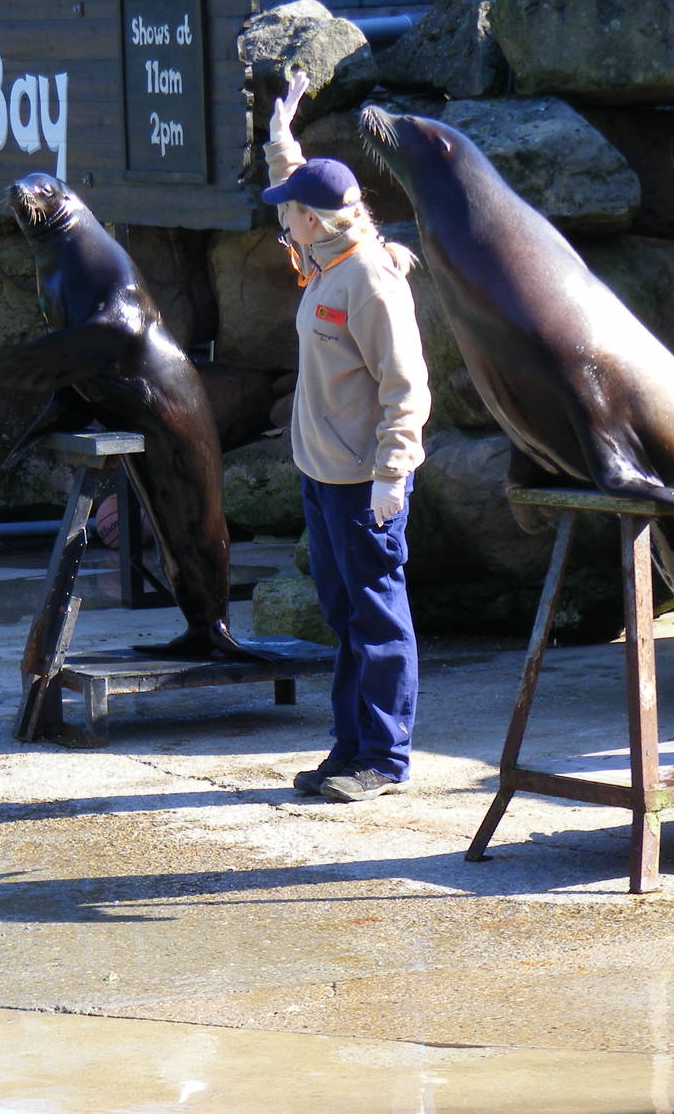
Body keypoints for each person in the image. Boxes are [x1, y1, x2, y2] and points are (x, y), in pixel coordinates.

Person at [262, 70, 431, 803]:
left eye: (288, 213)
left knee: (378, 619)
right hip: (322, 475)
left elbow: (406, 386)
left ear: (315, 221)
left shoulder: (370, 283)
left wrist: (393, 475)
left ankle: (385, 761)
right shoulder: (323, 255)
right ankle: (351, 745)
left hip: (365, 481)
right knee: (344, 615)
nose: (280, 220)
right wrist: (280, 139)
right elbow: (299, 184)